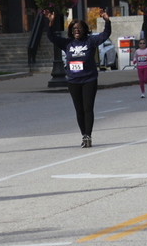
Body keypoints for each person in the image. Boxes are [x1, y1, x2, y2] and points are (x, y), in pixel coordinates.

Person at [44, 10, 112, 148]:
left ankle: (88, 135)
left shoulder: (90, 41)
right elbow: (51, 37)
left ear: (84, 30)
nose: (77, 31)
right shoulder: (67, 43)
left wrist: (107, 21)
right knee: (79, 110)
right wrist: (51, 22)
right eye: (74, 28)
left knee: (88, 108)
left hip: (89, 79)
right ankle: (84, 135)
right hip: (73, 81)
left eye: (80, 28)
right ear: (71, 31)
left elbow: (105, 35)